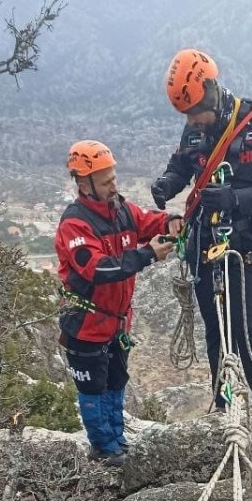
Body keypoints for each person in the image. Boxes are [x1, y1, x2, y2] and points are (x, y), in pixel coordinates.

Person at [151, 49, 252, 408]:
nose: (194, 120)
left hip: (250, 241)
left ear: (213, 91)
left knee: (248, 328)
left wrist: (235, 199)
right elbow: (182, 164)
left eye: (197, 111)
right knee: (215, 329)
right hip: (205, 242)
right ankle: (223, 404)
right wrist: (168, 183)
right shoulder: (194, 129)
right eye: (188, 115)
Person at [54, 140, 182, 466]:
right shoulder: (75, 225)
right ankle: (104, 449)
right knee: (93, 389)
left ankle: (117, 440)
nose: (114, 185)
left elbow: (146, 221)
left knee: (116, 381)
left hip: (116, 322)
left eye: (114, 178)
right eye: (106, 180)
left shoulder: (120, 210)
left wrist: (170, 223)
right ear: (85, 184)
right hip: (86, 324)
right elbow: (97, 269)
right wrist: (147, 254)